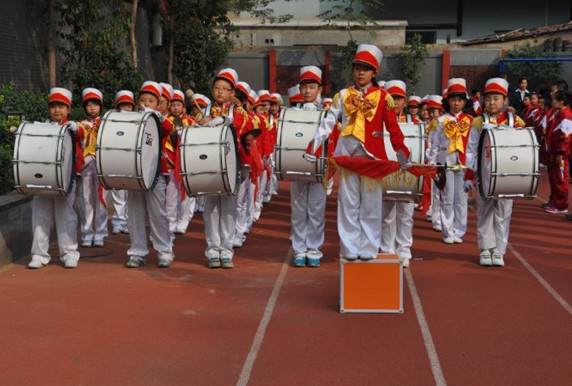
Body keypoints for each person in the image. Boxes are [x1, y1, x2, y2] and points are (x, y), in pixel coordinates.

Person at [306, 44, 411, 261]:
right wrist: (314, 146)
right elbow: (327, 124)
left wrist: (402, 152)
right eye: (357, 68)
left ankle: (369, 247)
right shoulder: (342, 95)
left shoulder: (384, 97)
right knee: (348, 204)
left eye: (366, 68)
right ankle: (349, 247)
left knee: (371, 205)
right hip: (347, 157)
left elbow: (393, 128)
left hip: (372, 159)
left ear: (375, 73)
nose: (360, 73)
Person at [466, 77, 526, 266]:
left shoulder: (515, 121)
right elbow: (470, 149)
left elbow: (522, 147)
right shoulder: (477, 122)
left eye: (496, 98)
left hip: (506, 174)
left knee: (503, 212)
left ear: (505, 100)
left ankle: (499, 250)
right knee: (484, 210)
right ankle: (485, 249)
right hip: (484, 173)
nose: (492, 103)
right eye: (488, 99)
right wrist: (469, 174)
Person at [199, 68, 248, 268]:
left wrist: (225, 121)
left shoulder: (237, 111)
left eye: (225, 89)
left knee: (228, 208)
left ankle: (226, 251)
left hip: (230, 165)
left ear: (232, 93)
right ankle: (212, 251)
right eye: (217, 88)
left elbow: (243, 126)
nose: (220, 92)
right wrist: (201, 124)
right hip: (210, 165)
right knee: (211, 209)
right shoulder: (205, 110)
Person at [28, 88, 82, 269]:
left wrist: (75, 129)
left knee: (66, 215)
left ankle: (69, 253)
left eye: (61, 106)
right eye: (53, 106)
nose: (56, 110)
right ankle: (39, 254)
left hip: (66, 179)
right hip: (43, 177)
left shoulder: (73, 128)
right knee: (40, 215)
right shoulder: (42, 127)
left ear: (68, 110)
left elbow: (83, 135)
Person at [125, 81, 175, 268]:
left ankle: (164, 250)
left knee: (158, 213)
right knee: (135, 213)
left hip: (155, 172)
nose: (146, 103)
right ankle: (137, 251)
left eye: (151, 100)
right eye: (143, 99)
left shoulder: (160, 120)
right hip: (134, 172)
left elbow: (170, 129)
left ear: (158, 103)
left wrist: (158, 116)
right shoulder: (133, 119)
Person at [428, 78, 475, 244]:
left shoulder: (471, 121)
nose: (456, 103)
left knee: (461, 201)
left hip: (463, 165)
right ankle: (447, 231)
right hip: (445, 164)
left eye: (460, 100)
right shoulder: (440, 121)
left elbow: (473, 145)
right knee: (447, 198)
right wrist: (432, 164)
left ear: (464, 101)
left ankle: (459, 230)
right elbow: (433, 144)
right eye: (453, 99)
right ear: (448, 101)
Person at [289, 66, 328, 267]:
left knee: (316, 210)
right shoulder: (292, 113)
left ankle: (313, 249)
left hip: (318, 168)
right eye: (304, 87)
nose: (307, 91)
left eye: (312, 87)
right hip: (297, 166)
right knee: (298, 210)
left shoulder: (327, 114)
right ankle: (299, 249)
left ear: (319, 90)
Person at [380, 80, 420, 268]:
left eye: (399, 99)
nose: (395, 103)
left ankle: (403, 249)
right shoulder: (378, 122)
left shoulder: (414, 123)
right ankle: (386, 249)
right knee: (386, 212)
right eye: (391, 98)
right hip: (386, 169)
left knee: (405, 212)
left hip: (407, 170)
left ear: (405, 101)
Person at [77, 88, 108, 248]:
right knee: (85, 199)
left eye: (95, 105)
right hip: (85, 165)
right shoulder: (79, 125)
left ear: (100, 106)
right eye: (89, 105)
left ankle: (101, 233)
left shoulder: (106, 123)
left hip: (101, 163)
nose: (92, 108)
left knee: (101, 199)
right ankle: (87, 233)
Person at [167, 89, 198, 235]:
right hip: (171, 162)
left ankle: (183, 221)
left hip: (185, 162)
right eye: (173, 105)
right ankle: (171, 222)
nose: (175, 108)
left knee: (185, 194)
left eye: (178, 105)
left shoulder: (191, 122)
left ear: (183, 107)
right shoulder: (166, 121)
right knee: (171, 195)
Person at [109, 90, 134, 234]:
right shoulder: (112, 121)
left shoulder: (138, 121)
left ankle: (129, 221)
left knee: (131, 192)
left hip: (131, 161)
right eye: (123, 106)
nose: (126, 109)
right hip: (116, 160)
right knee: (118, 192)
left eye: (129, 106)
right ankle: (118, 222)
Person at [544, 90, 572, 214]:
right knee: (554, 177)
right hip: (553, 151)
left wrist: (561, 153)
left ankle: (561, 205)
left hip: (560, 154)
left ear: (561, 102)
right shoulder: (558, 113)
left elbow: (566, 136)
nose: (553, 102)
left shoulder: (566, 116)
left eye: (555, 101)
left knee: (560, 179)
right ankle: (554, 201)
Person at [425, 95, 445, 231]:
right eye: (430, 111)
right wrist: (430, 157)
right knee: (435, 191)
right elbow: (430, 143)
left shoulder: (445, 122)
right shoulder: (433, 125)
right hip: (434, 160)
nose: (432, 114)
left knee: (446, 194)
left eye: (435, 111)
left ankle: (446, 220)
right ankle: (436, 218)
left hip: (445, 160)